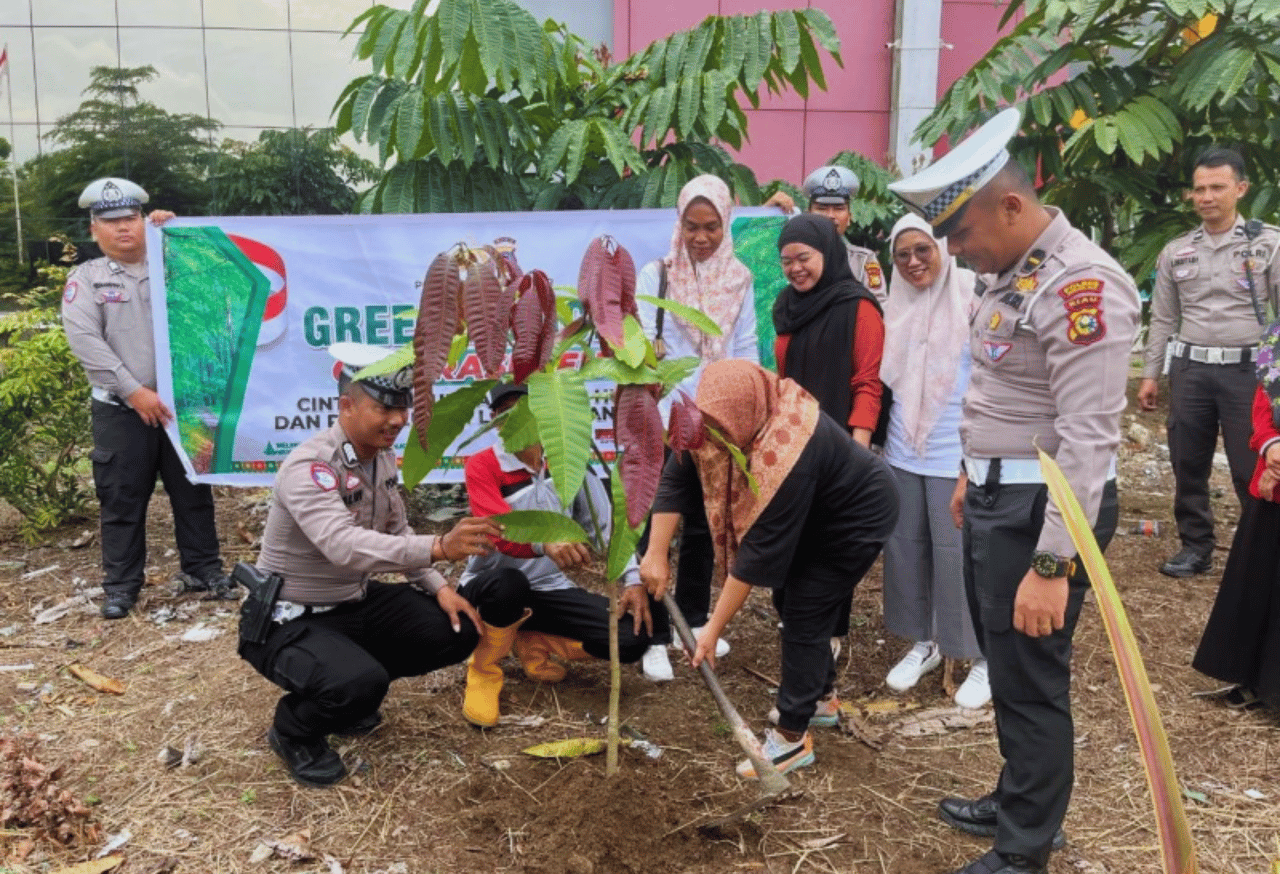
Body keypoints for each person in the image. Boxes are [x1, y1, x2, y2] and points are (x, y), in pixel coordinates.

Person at [888, 107, 1140, 874]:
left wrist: (1053, 564)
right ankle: (1020, 794)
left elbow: (1089, 441)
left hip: (1044, 514)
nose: (955, 249)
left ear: (1009, 205)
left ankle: (1025, 847)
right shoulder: (1013, 275)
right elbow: (1004, 394)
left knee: (1031, 676)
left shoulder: (1082, 286)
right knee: (1010, 657)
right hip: (1002, 498)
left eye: (960, 233)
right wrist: (973, 470)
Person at [240, 343, 525, 787]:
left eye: (402, 408)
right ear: (347, 406)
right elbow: (344, 547)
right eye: (383, 407)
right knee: (358, 682)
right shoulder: (311, 468)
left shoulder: (379, 457)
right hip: (290, 620)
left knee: (458, 629)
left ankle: (351, 690)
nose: (396, 420)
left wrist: (439, 587)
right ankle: (293, 729)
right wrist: (440, 548)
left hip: (353, 602)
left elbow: (398, 531)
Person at [642, 360, 898, 777]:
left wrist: (712, 629)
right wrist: (655, 553)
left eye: (723, 432)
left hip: (855, 517)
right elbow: (677, 475)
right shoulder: (711, 421)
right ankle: (820, 697)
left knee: (805, 610)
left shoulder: (788, 447)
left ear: (748, 416)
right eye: (709, 426)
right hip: (814, 513)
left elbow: (756, 557)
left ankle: (792, 738)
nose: (712, 440)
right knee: (790, 598)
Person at [60, 178, 232, 620]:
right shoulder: (87, 279)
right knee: (121, 498)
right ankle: (121, 587)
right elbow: (86, 344)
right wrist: (135, 392)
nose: (123, 228)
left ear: (143, 221)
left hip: (182, 406)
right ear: (93, 230)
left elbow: (219, 290)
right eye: (110, 221)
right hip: (121, 410)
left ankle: (204, 570)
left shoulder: (175, 264)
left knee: (194, 490)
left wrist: (181, 238)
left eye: (131, 219)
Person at [457, 382, 660, 725]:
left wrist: (632, 578)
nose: (513, 420)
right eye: (503, 413)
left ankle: (534, 639)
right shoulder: (483, 465)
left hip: (549, 589)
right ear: (493, 421)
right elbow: (498, 530)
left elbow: (605, 527)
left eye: (523, 411)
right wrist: (544, 542)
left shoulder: (567, 461)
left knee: (632, 637)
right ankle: (484, 671)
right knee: (510, 583)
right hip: (489, 587)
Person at [1137, 147, 1280, 578]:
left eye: (1217, 187)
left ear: (1240, 188)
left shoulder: (1268, 244)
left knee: (1248, 465)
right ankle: (1195, 548)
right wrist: (1149, 375)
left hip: (1248, 372)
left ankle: (1257, 553)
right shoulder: (1176, 251)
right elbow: (1162, 317)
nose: (1206, 197)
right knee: (1188, 463)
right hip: (1191, 372)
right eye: (1199, 189)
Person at [635, 174, 754, 681]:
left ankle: (698, 625)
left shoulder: (740, 278)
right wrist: (648, 351)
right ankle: (654, 637)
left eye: (711, 227)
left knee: (706, 526)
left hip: (717, 423)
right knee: (656, 527)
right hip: (664, 420)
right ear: (678, 224)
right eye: (691, 226)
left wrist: (739, 415)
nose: (700, 237)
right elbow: (639, 342)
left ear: (725, 225)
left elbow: (745, 347)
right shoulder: (656, 275)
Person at [878, 213, 988, 708]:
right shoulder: (894, 303)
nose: (914, 262)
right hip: (905, 447)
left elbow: (988, 374)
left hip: (955, 449)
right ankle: (925, 641)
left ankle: (981, 656)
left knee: (958, 554)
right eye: (903, 254)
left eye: (923, 250)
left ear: (943, 247)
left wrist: (975, 455)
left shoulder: (971, 292)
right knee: (906, 549)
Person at [1191, 319, 1280, 709]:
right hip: (1275, 480)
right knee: (1260, 579)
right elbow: (1264, 395)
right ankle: (1256, 682)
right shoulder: (1277, 336)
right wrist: (1272, 445)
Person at [774, 213, 885, 449]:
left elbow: (868, 385)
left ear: (827, 253)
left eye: (804, 258)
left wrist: (857, 455)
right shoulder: (786, 306)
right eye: (787, 261)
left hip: (841, 445)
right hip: (792, 443)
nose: (796, 268)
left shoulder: (859, 308)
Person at [765, 165, 887, 302]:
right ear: (808, 214)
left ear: (849, 217)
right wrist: (765, 214)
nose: (830, 216)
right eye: (821, 208)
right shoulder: (790, 258)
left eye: (839, 208)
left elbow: (878, 306)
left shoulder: (863, 260)